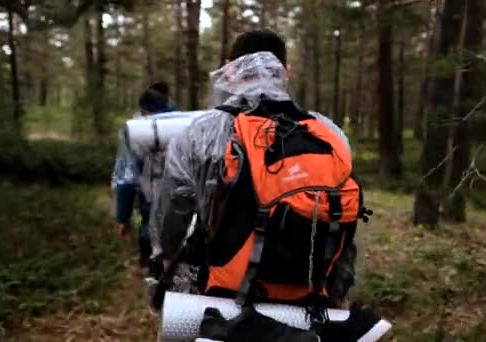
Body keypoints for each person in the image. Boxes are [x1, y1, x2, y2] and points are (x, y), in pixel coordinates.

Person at [147, 30, 383, 341]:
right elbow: (343, 221)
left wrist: (163, 263)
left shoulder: (202, 133)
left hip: (225, 302)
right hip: (311, 301)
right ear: (285, 72)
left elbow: (171, 219)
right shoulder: (328, 133)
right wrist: (337, 294)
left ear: (230, 70)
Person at [111, 85, 174, 268]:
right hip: (187, 212)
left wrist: (123, 217)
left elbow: (127, 179)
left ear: (144, 110)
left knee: (151, 243)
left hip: (152, 210)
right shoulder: (184, 125)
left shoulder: (138, 132)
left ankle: (149, 268)